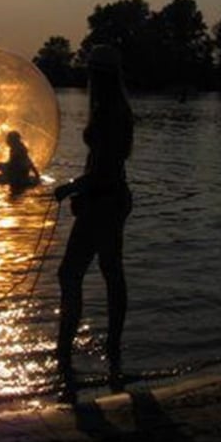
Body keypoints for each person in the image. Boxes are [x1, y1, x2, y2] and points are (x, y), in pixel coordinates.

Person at [53, 44, 134, 400]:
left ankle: (63, 353)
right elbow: (104, 166)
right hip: (113, 199)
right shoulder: (117, 110)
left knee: (69, 273)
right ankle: (113, 349)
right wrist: (83, 193)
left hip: (105, 200)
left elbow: (102, 170)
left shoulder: (107, 114)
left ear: (96, 76)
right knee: (111, 271)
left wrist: (72, 188)